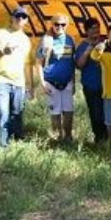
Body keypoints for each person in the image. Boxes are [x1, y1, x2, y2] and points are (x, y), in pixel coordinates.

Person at [0, 6, 33, 147]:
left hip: (18, 82)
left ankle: (17, 142)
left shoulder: (25, 40)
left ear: (26, 21)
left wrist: (29, 85)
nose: (20, 19)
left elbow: (27, 64)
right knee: (3, 113)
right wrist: (3, 51)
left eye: (23, 17)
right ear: (12, 18)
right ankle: (1, 146)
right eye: (17, 16)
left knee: (17, 114)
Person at [36, 13, 76, 143]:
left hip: (67, 82)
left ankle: (68, 136)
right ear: (52, 25)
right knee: (55, 113)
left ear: (66, 26)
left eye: (62, 24)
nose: (59, 27)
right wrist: (42, 82)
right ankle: (58, 136)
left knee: (68, 112)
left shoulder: (70, 40)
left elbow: (72, 63)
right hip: (50, 82)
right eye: (56, 24)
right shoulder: (46, 40)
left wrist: (74, 82)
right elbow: (38, 62)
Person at [74, 17, 108, 144]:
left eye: (97, 27)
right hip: (91, 85)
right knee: (95, 113)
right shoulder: (82, 46)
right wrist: (87, 51)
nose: (96, 30)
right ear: (86, 31)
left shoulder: (105, 42)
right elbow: (79, 65)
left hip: (107, 84)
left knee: (108, 113)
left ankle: (109, 137)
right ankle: (99, 138)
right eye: (93, 28)